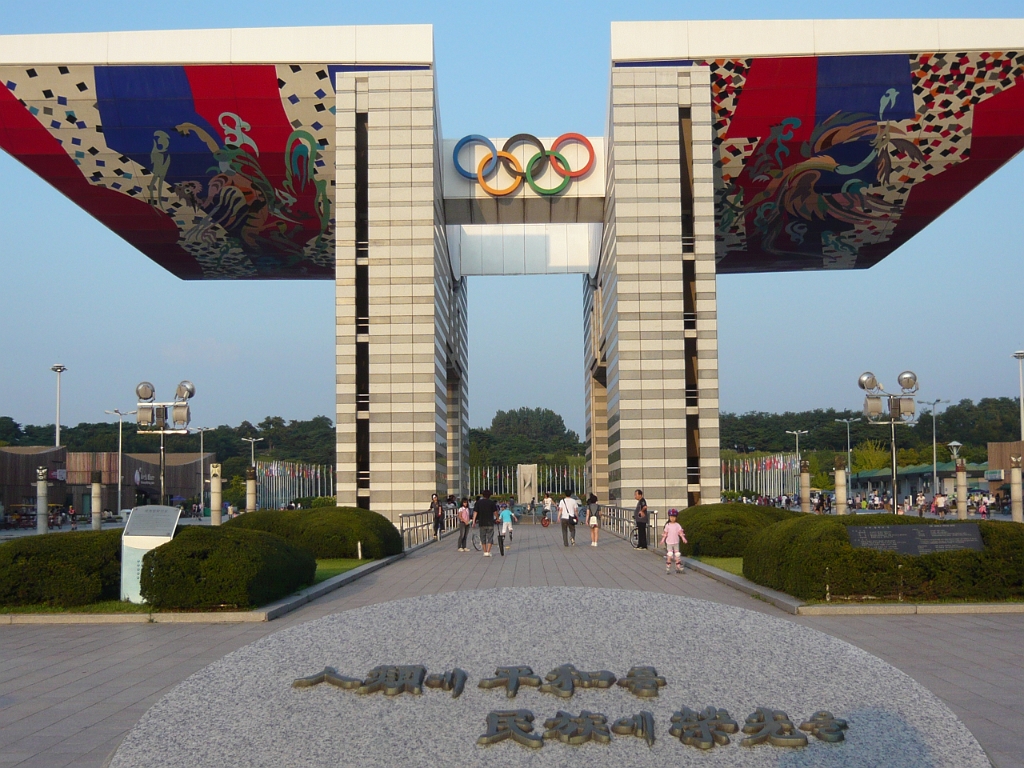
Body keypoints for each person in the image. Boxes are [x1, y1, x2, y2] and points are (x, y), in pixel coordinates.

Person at [659, 509, 687, 574]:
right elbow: (665, 533)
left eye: (674, 517)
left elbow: (680, 533)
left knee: (677, 555)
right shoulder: (667, 525)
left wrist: (683, 538)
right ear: (669, 517)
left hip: (676, 542)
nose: (672, 518)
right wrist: (663, 540)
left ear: (676, 517)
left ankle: (678, 567)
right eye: (671, 517)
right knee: (670, 555)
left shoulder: (677, 525)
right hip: (669, 542)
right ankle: (668, 567)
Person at [472, 489, 498, 557]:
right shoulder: (492, 503)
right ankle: (488, 551)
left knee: (482, 537)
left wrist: (473, 521)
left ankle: (485, 551)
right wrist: (498, 518)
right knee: (490, 537)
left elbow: (475, 512)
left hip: (482, 522)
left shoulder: (478, 503)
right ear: (489, 495)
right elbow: (495, 512)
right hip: (490, 522)